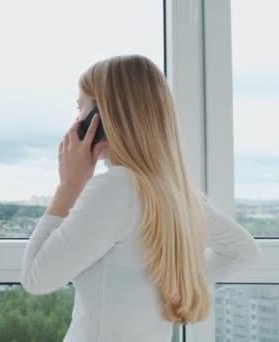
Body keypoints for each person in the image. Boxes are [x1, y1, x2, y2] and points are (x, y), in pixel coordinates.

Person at [20, 55, 259, 342]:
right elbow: (244, 251)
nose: (76, 121)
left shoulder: (115, 188)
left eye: (81, 107)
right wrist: (172, 277)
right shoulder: (175, 195)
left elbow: (36, 277)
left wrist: (68, 187)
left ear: (104, 117)